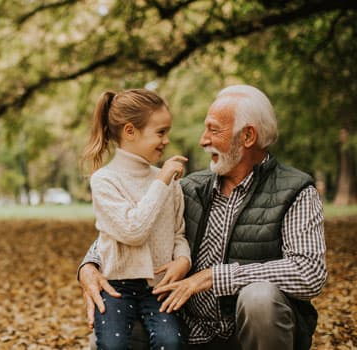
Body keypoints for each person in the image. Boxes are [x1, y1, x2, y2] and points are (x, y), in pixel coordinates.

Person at [78, 85, 327, 350]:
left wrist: (215, 277)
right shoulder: (189, 187)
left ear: (248, 136)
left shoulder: (296, 191)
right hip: (188, 330)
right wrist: (88, 267)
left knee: (259, 298)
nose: (202, 140)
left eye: (213, 129)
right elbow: (129, 228)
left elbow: (309, 272)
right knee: (105, 332)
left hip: (247, 336)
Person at [80, 88, 193, 350]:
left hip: (159, 287)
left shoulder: (170, 182)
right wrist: (161, 181)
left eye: (167, 132)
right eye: (160, 132)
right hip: (116, 287)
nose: (166, 140)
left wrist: (183, 260)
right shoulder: (105, 181)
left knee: (171, 341)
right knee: (111, 345)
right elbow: (133, 230)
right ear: (130, 131)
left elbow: (178, 233)